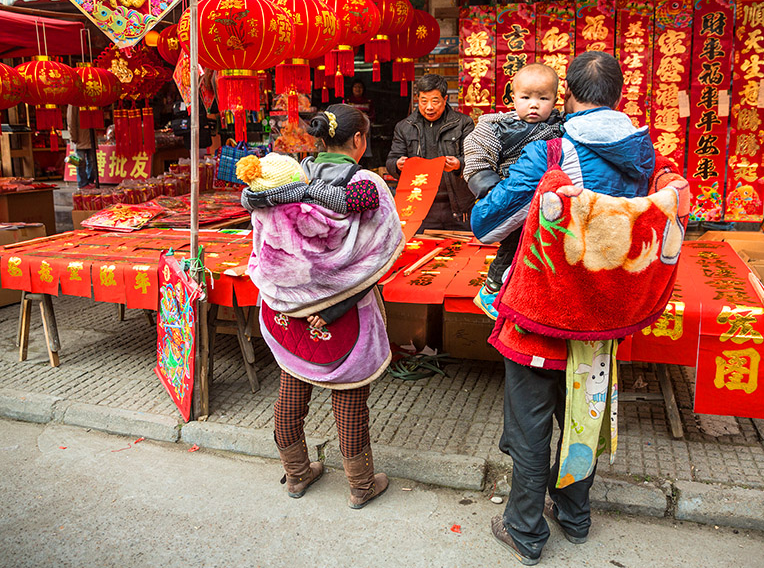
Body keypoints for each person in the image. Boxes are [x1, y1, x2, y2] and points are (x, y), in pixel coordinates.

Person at [471, 51, 657, 565]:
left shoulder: (553, 153)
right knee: (583, 413)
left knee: (530, 423)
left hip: (542, 311)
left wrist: (484, 187)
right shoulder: (646, 157)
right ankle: (574, 516)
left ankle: (525, 529)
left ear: (568, 95)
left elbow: (487, 223)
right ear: (619, 96)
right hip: (604, 316)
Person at [237, 104, 404, 509]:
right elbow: (380, 249)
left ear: (320, 138)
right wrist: (331, 303)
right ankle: (361, 486)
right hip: (344, 313)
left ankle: (297, 475)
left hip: (284, 309)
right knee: (348, 400)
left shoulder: (289, 177)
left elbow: (263, 238)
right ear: (360, 140)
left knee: (291, 389)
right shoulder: (367, 184)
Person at [462, 63, 564, 319]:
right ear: (512, 97)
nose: (534, 105)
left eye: (543, 98)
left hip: (549, 204)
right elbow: (477, 160)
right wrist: (494, 193)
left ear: (555, 100)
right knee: (512, 245)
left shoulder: (561, 125)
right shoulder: (495, 126)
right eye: (526, 97)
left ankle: (529, 294)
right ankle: (492, 288)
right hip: (512, 198)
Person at [386, 74, 475, 231]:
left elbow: (474, 160)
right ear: (417, 99)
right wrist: (398, 165)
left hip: (456, 206)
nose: (429, 107)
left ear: (445, 99)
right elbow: (391, 161)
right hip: (419, 205)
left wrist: (458, 164)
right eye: (423, 101)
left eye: (435, 101)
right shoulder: (404, 127)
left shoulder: (463, 123)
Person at [66, 104, 98, 189]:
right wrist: (73, 136)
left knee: (92, 161)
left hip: (90, 137)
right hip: (79, 137)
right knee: (80, 162)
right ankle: (82, 184)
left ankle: (90, 181)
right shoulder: (73, 103)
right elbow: (71, 120)